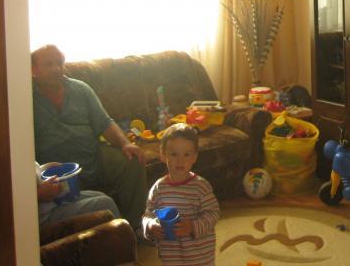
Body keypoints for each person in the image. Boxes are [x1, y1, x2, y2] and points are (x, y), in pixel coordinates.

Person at [31, 44, 148, 227]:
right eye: (48, 64)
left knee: (133, 160)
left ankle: (135, 226)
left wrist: (125, 144)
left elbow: (105, 123)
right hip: (58, 171)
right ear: (33, 69)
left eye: (59, 63)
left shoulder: (81, 89)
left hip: (93, 157)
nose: (56, 68)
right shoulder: (25, 97)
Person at [142, 123, 219, 265]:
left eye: (186, 154)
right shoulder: (158, 188)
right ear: (163, 155)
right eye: (174, 154)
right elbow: (148, 214)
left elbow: (213, 214)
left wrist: (192, 226)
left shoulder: (201, 187)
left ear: (194, 157)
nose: (180, 160)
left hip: (199, 257)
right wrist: (150, 225)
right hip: (171, 256)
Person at [37, 161, 120, 225]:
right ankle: (122, 238)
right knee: (106, 203)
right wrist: (40, 194)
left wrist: (43, 168)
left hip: (53, 203)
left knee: (100, 195)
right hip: (45, 217)